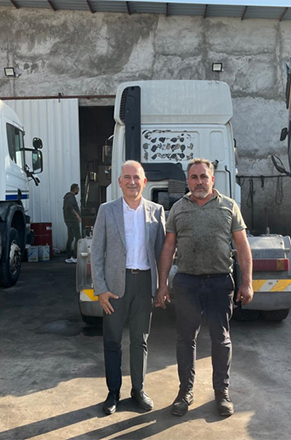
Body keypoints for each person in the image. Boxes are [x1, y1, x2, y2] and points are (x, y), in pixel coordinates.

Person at [155, 158, 253, 418]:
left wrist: (247, 282)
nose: (199, 182)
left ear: (212, 180)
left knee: (221, 338)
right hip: (187, 282)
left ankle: (221, 392)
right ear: (187, 181)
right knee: (185, 339)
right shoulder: (178, 208)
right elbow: (168, 247)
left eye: (203, 177)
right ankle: (185, 392)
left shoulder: (229, 206)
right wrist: (162, 284)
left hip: (220, 282)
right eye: (194, 177)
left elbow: (242, 246)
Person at [91, 160, 166, 415]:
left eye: (137, 178)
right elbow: (97, 252)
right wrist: (100, 289)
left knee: (139, 340)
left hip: (144, 284)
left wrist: (162, 286)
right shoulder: (107, 211)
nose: (132, 182)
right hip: (115, 286)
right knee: (112, 340)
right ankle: (113, 392)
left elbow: (162, 254)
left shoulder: (156, 211)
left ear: (144, 182)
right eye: (127, 177)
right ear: (120, 182)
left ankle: (138, 390)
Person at [63, 183, 82, 263]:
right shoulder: (70, 197)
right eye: (78, 189)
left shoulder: (68, 197)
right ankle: (75, 256)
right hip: (72, 220)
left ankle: (69, 256)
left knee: (70, 238)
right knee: (78, 238)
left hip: (69, 220)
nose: (78, 191)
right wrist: (77, 216)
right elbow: (69, 207)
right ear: (75, 189)